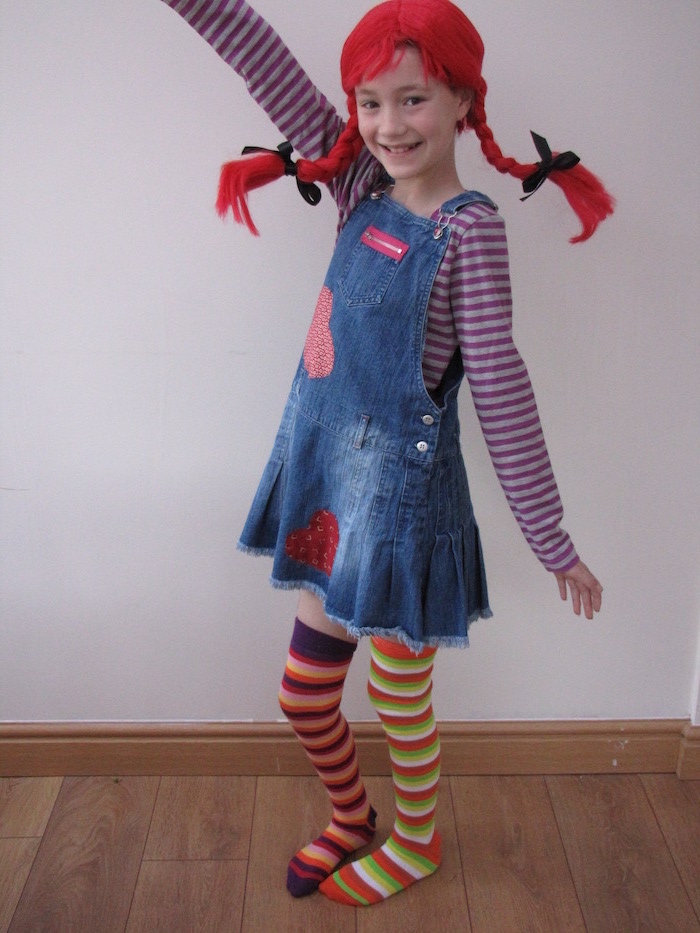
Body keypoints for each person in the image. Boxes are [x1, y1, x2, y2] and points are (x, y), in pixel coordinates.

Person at [159, 0, 611, 907]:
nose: (389, 124)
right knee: (303, 695)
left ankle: (418, 840)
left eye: (413, 100)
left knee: (402, 701)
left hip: (405, 508)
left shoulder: (472, 230)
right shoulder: (358, 183)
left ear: (460, 102)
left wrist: (551, 537)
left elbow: (501, 384)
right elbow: (260, 57)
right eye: (371, 102)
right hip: (331, 487)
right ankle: (350, 814)